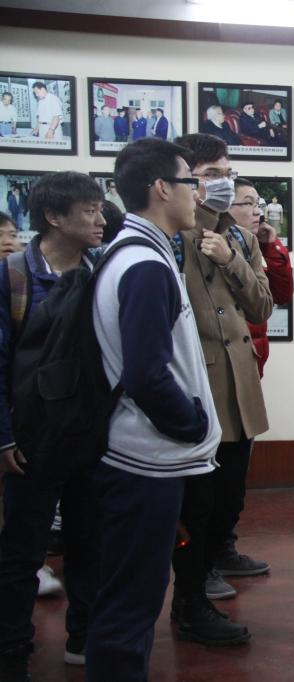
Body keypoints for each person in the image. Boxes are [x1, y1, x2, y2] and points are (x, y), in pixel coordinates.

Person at [85, 138, 222, 682]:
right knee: (132, 599)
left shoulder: (143, 253)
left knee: (131, 592)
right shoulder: (144, 264)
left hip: (146, 455)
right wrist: (190, 423)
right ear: (162, 189)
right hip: (145, 459)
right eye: (191, 182)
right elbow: (146, 374)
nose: (199, 194)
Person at [0, 172, 106, 680]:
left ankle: (83, 636)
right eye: (89, 210)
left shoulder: (103, 271)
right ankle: (12, 647)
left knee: (91, 542)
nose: (100, 219)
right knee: (23, 549)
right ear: (53, 217)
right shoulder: (13, 277)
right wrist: (3, 437)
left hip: (90, 435)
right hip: (31, 440)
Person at [168, 133, 272, 645]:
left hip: (239, 382)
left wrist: (230, 257)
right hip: (196, 383)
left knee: (231, 493)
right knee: (197, 501)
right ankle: (191, 589)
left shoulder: (241, 238)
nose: (223, 184)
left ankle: (215, 560)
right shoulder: (171, 236)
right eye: (211, 175)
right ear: (184, 180)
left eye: (227, 174)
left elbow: (262, 306)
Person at [228, 178, 293, 377]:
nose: (257, 212)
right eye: (249, 204)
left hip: (254, 358)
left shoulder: (253, 246)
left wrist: (271, 246)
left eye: (258, 205)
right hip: (230, 359)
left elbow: (281, 294)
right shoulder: (216, 246)